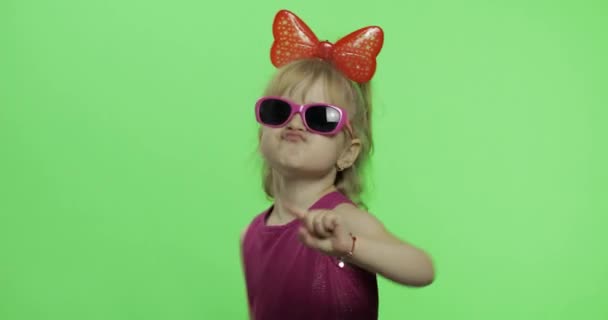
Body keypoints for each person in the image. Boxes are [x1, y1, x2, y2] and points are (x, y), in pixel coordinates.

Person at [240, 9, 435, 320]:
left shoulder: (344, 220)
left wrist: (349, 246)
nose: (295, 123)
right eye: (279, 111)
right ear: (262, 133)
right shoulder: (250, 234)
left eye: (320, 118)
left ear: (347, 152)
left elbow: (422, 268)